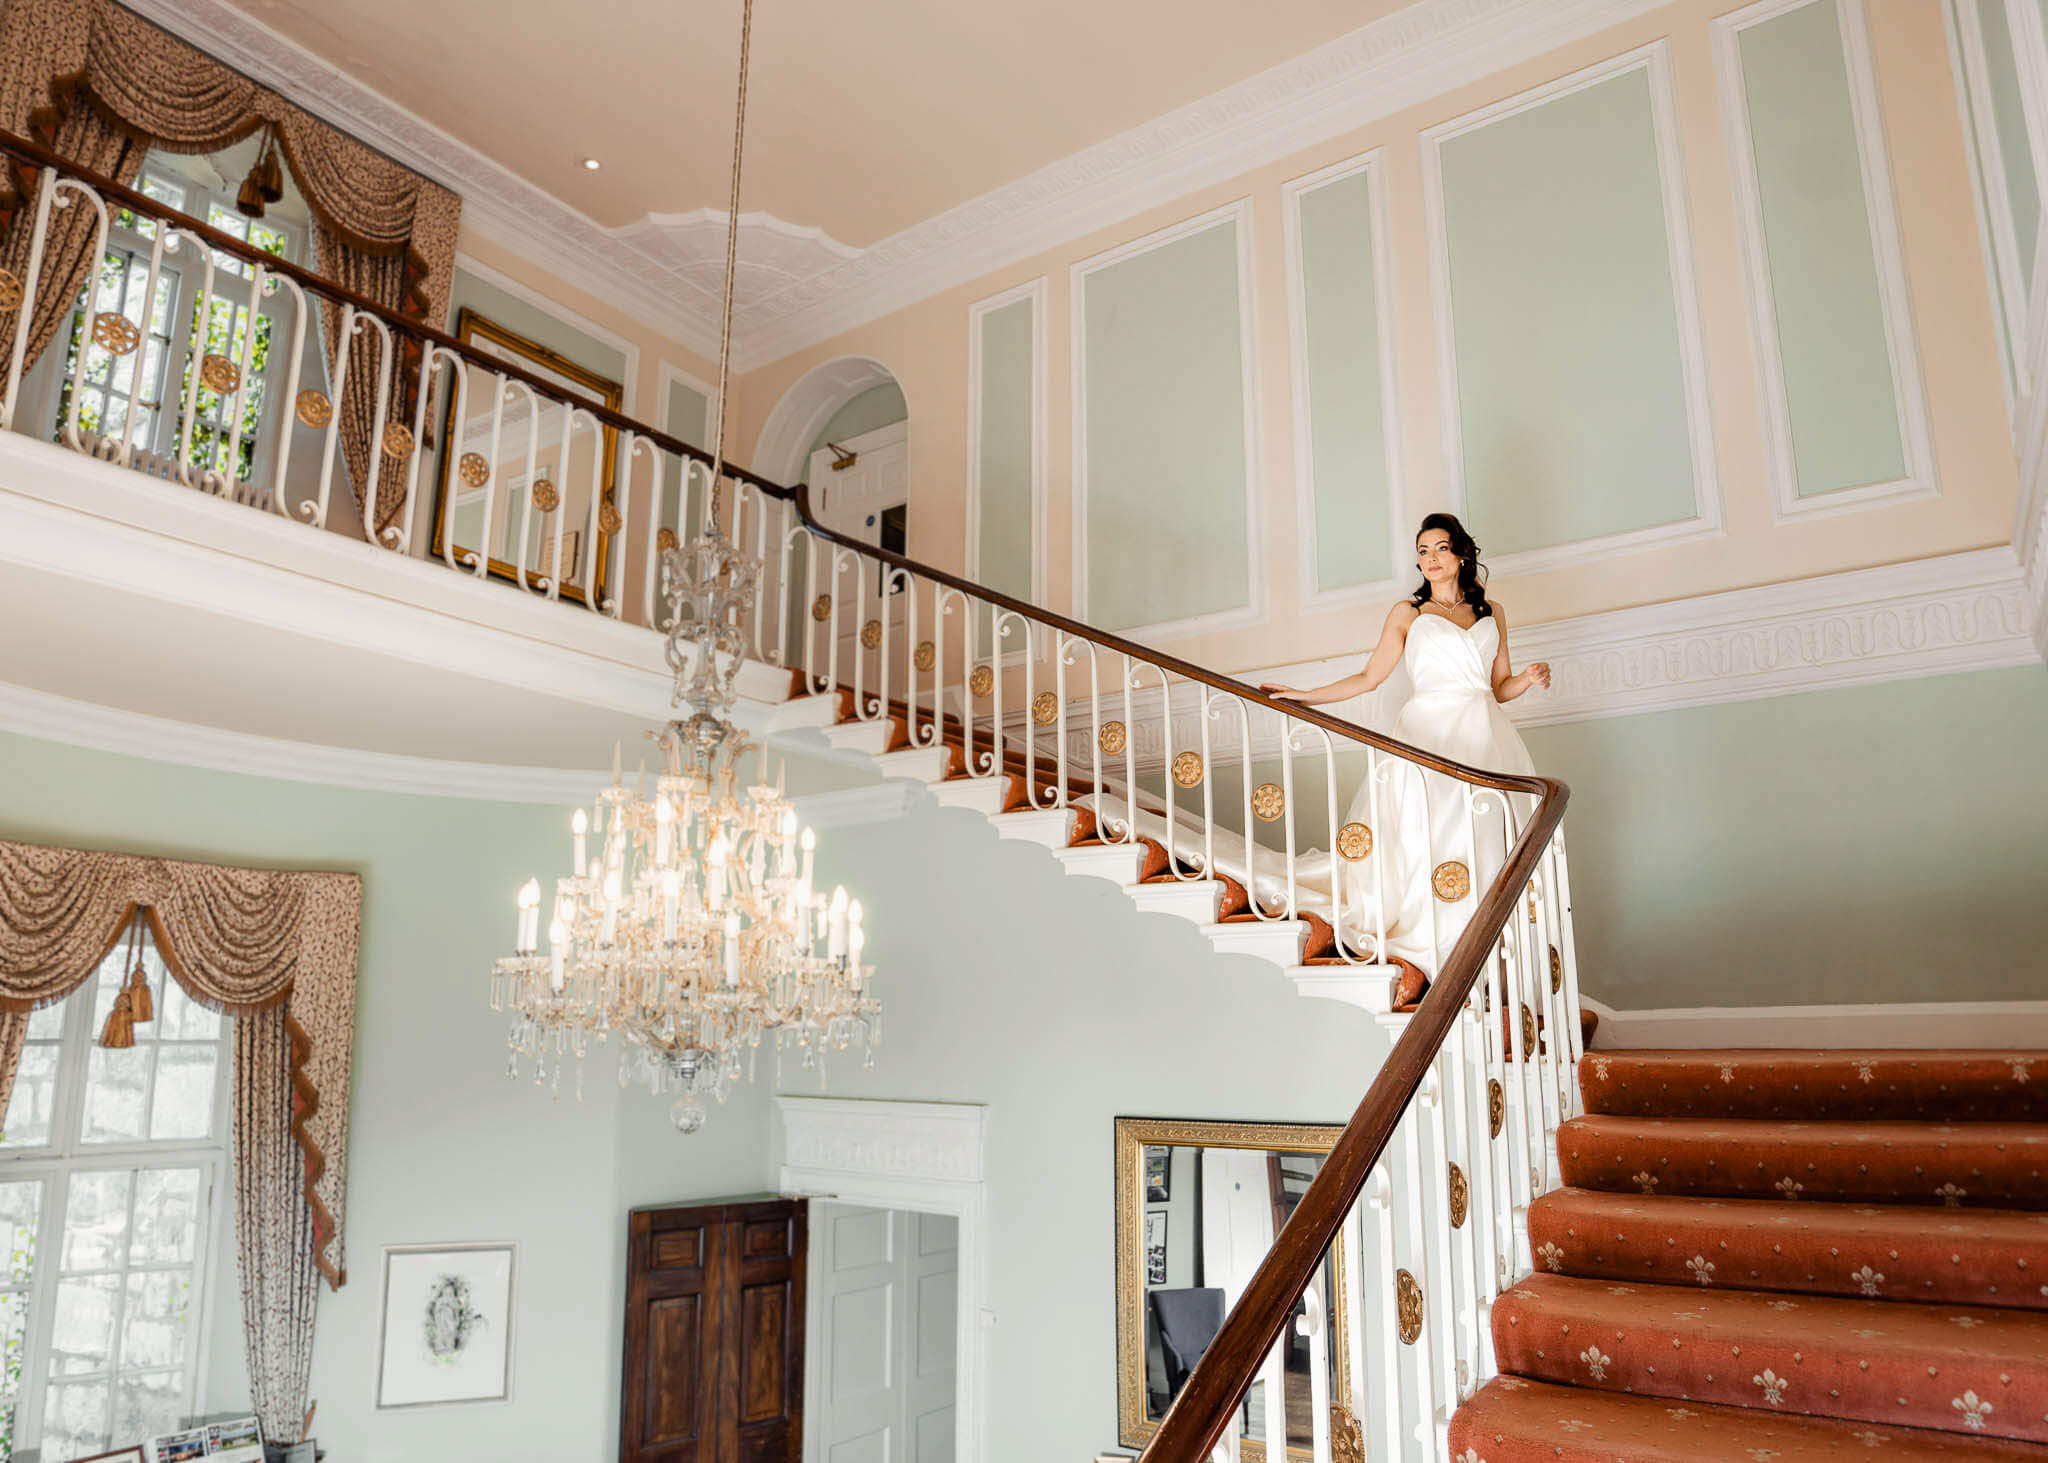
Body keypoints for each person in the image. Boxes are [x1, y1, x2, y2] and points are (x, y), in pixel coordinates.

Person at [1260, 514, 1549, 977]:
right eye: (1422, 551)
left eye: (1439, 548)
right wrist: (1304, 694)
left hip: (1484, 735)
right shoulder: (1408, 613)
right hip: (1426, 734)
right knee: (1423, 834)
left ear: (1461, 554)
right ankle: (1432, 943)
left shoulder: (1492, 612)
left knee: (1480, 837)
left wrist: (1528, 681)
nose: (1430, 559)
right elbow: (1370, 677)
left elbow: (1498, 688)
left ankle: (1482, 954)